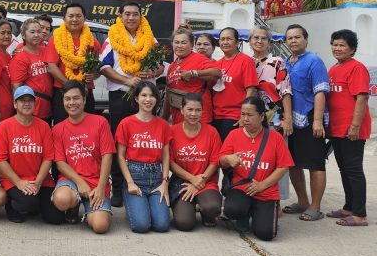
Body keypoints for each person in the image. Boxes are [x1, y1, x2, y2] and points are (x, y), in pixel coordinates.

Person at [100, 1, 163, 207]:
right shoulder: (112, 37)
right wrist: (127, 80)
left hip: (145, 98)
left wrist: (153, 72)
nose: (131, 18)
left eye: (135, 14)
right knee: (120, 142)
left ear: (140, 16)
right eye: (127, 14)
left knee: (144, 142)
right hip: (120, 95)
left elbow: (160, 66)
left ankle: (143, 184)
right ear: (121, 16)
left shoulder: (149, 38)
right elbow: (104, 67)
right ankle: (118, 188)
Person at [220, 97, 294, 241]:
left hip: (266, 191)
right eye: (242, 114)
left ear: (261, 116)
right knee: (232, 210)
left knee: (265, 234)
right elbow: (221, 161)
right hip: (241, 188)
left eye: (250, 115)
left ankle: (260, 213)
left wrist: (262, 185)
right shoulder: (234, 135)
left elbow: (284, 166)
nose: (245, 119)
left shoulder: (275, 138)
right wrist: (228, 159)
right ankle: (244, 214)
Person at [0, 86, 65, 224]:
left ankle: (35, 203)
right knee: (28, 202)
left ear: (35, 103)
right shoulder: (4, 126)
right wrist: (19, 182)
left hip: (40, 179)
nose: (26, 104)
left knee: (56, 218)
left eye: (30, 100)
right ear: (15, 104)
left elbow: (48, 158)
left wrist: (38, 182)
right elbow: (0, 160)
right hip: (14, 180)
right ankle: (12, 205)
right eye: (22, 100)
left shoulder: (43, 126)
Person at [52, 80, 115, 233]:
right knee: (62, 200)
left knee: (101, 226)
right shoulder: (58, 128)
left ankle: (89, 211)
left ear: (84, 100)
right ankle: (73, 206)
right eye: (67, 99)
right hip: (72, 180)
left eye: (76, 98)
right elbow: (60, 163)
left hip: (96, 180)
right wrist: (80, 182)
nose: (72, 103)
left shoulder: (100, 122)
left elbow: (107, 156)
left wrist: (101, 187)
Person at [283, 24, 329, 221]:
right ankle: (302, 201)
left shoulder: (314, 61)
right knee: (293, 164)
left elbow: (320, 91)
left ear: (306, 39)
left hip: (310, 118)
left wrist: (317, 121)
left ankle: (315, 207)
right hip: (291, 120)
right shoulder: (286, 62)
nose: (293, 41)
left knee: (315, 164)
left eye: (297, 37)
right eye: (290, 38)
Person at [326, 29, 370, 227]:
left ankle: (360, 215)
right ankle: (348, 207)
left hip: (351, 128)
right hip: (337, 128)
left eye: (342, 45)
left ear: (352, 49)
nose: (337, 48)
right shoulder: (334, 69)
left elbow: (362, 97)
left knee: (353, 170)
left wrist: (355, 126)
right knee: (344, 169)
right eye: (335, 44)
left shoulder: (357, 68)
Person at [116, 81, 172, 233]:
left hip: (156, 178)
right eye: (144, 95)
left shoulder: (163, 125)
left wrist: (164, 182)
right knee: (141, 226)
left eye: (152, 95)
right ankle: (135, 206)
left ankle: (145, 207)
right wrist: (130, 183)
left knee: (162, 225)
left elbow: (166, 156)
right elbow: (120, 156)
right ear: (136, 98)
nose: (148, 99)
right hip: (135, 177)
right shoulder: (126, 123)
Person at [249, 26, 293, 203]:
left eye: (263, 38)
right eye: (256, 38)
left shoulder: (277, 62)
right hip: (252, 119)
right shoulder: (246, 62)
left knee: (277, 159)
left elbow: (286, 91)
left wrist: (288, 118)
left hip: (275, 118)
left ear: (269, 41)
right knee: (256, 158)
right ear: (250, 41)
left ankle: (276, 200)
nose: (259, 41)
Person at [169, 93, 222, 231]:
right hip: (182, 182)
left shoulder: (212, 132)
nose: (194, 114)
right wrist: (192, 179)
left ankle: (206, 212)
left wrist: (199, 183)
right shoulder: (172, 131)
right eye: (190, 109)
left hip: (206, 181)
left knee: (212, 208)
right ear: (181, 110)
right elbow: (170, 162)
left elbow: (215, 162)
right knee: (184, 224)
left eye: (198, 110)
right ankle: (189, 206)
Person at [45, 3, 100, 123]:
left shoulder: (92, 41)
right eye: (71, 16)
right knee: (62, 127)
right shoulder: (56, 39)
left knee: (88, 126)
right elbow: (51, 67)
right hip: (63, 91)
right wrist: (71, 86)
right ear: (64, 19)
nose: (74, 19)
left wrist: (94, 74)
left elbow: (96, 69)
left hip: (86, 91)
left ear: (84, 18)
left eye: (78, 16)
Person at [162, 28, 220, 124]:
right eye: (176, 42)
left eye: (183, 43)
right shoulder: (172, 66)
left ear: (192, 44)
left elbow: (217, 73)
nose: (179, 46)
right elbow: (168, 94)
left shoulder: (199, 59)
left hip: (199, 120)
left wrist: (193, 74)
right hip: (178, 120)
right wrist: (164, 119)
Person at [212, 27, 258, 142]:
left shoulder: (246, 61)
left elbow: (251, 90)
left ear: (237, 42)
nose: (225, 42)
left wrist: (244, 116)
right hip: (216, 115)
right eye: (222, 39)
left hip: (234, 117)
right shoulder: (217, 64)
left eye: (229, 39)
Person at [10, 18, 53, 123]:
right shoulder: (20, 57)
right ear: (24, 35)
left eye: (39, 32)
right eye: (32, 32)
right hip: (31, 109)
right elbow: (16, 87)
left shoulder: (46, 51)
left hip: (48, 106)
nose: (37, 35)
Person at [195, 33, 218, 123]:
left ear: (213, 48)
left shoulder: (218, 65)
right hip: (195, 109)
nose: (201, 47)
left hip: (215, 111)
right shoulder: (190, 64)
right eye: (199, 44)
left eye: (206, 44)